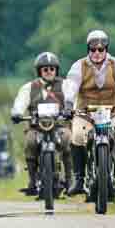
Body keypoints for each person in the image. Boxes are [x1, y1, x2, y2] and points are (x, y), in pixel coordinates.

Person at [65, 30, 115, 195]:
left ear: (106, 49)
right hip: (85, 114)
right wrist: (68, 104)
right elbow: (71, 86)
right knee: (76, 135)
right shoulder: (79, 66)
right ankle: (79, 179)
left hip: (111, 112)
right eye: (93, 50)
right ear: (88, 50)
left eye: (101, 49)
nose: (97, 53)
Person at [10, 52, 74, 195]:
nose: (49, 72)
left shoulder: (66, 85)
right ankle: (32, 181)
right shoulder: (29, 87)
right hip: (36, 127)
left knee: (68, 140)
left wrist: (70, 109)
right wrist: (17, 113)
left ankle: (70, 181)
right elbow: (20, 102)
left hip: (59, 126)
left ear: (56, 70)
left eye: (52, 68)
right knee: (30, 143)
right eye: (45, 69)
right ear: (40, 71)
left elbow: (71, 99)